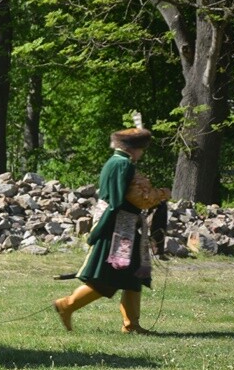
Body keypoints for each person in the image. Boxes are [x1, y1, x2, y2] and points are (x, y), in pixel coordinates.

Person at [54, 125, 171, 334]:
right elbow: (121, 200)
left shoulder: (116, 163)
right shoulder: (123, 165)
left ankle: (131, 325)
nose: (142, 154)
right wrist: (158, 195)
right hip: (118, 229)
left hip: (121, 226)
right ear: (133, 149)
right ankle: (67, 305)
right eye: (141, 149)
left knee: (133, 276)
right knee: (108, 280)